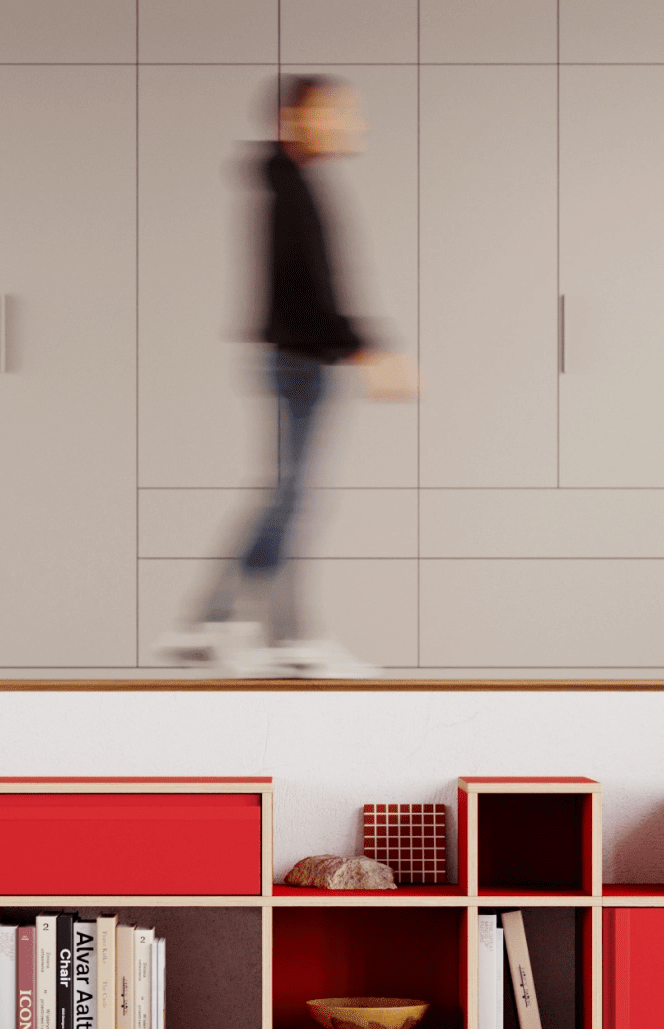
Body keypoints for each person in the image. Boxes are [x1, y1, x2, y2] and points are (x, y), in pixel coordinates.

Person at [158, 75, 415, 678]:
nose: (355, 125)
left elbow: (312, 290)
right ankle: (225, 625)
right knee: (290, 496)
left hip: (300, 356)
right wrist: (369, 352)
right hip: (300, 359)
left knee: (293, 497)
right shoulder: (291, 190)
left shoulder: (290, 182)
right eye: (340, 113)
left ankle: (270, 634)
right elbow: (311, 291)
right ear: (294, 118)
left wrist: (359, 349)